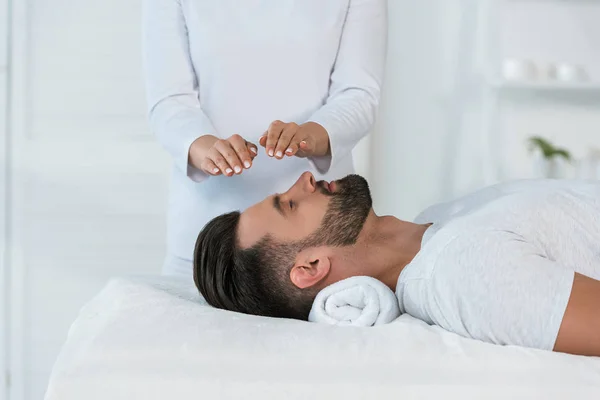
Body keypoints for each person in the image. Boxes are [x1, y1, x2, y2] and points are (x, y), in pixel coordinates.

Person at [193, 172, 600, 357]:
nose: (304, 178)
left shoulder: (439, 220)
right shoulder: (459, 274)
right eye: (290, 205)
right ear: (311, 265)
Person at [142, 0, 387, 277]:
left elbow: (359, 93)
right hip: (206, 235)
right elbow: (169, 100)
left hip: (321, 238)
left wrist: (313, 133)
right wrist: (202, 146)